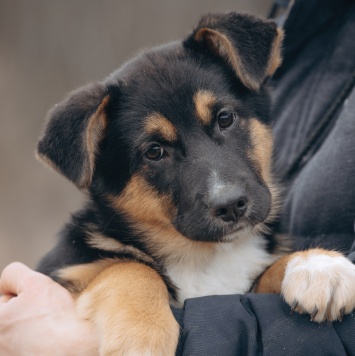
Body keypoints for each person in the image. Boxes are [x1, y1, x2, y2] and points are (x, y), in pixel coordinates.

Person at [1, 0, 355, 354]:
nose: (224, 193)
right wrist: (129, 287)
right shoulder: (83, 269)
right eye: (155, 153)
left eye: (225, 120)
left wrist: (294, 270)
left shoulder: (271, 251)